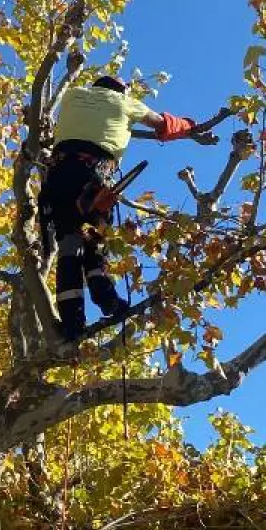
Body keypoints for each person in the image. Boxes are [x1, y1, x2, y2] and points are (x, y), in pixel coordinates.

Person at [40, 71, 201, 340]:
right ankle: (107, 300)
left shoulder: (71, 95)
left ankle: (72, 322)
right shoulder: (124, 101)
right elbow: (162, 124)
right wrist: (188, 126)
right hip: (91, 176)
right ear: (121, 91)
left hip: (56, 177)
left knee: (69, 242)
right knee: (94, 240)